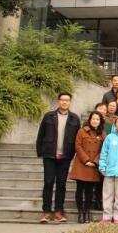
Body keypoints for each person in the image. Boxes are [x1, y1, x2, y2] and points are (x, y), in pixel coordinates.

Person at [36, 92, 81, 224]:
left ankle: (58, 211)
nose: (64, 102)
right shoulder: (49, 116)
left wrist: (73, 154)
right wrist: (40, 151)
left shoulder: (74, 118)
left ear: (70, 102)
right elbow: (41, 134)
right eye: (62, 100)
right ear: (58, 101)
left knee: (61, 184)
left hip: (65, 156)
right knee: (48, 182)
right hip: (49, 155)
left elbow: (77, 138)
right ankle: (46, 211)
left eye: (67, 100)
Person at [69, 111, 105, 223]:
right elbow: (78, 146)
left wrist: (95, 161)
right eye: (93, 119)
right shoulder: (82, 131)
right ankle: (80, 212)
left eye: (97, 119)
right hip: (82, 163)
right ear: (89, 120)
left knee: (89, 190)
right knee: (80, 189)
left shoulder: (102, 133)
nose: (95, 121)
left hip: (94, 165)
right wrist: (86, 160)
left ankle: (87, 211)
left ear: (100, 121)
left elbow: (104, 149)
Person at [98, 116, 118, 223]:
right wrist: (102, 166)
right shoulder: (109, 137)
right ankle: (107, 216)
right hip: (109, 171)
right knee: (107, 195)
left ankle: (117, 216)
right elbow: (104, 153)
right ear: (115, 124)